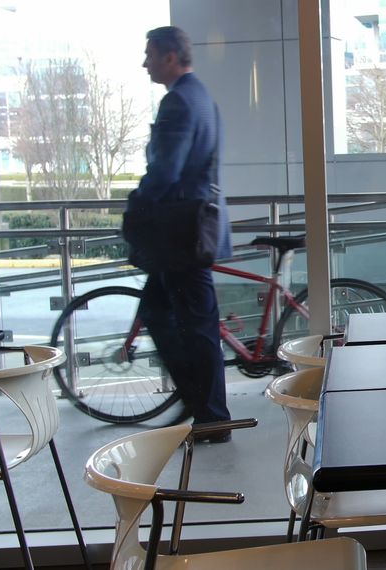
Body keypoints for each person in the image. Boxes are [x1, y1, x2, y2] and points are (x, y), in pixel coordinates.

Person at [129, 26, 233, 441]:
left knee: (195, 325)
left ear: (170, 56)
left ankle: (209, 414)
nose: (145, 63)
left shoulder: (177, 102)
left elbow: (166, 172)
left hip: (181, 235)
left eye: (149, 54)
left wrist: (137, 202)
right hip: (192, 230)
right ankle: (201, 405)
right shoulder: (202, 97)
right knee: (162, 312)